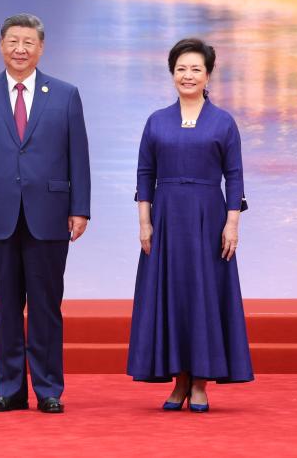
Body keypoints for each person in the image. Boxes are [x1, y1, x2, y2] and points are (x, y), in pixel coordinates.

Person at [0, 13, 91, 414]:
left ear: (41, 48)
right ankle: (11, 389)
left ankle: (48, 388)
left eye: (28, 42)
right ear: (1, 45)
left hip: (50, 213)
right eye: (13, 41)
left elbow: (79, 156)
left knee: (46, 305)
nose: (20, 49)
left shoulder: (65, 94)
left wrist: (80, 208)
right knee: (7, 305)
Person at [127, 38, 253, 411]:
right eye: (181, 68)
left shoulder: (223, 122)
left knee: (203, 294)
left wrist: (232, 224)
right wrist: (145, 222)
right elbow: (144, 174)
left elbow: (235, 176)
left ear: (208, 75)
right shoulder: (156, 120)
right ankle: (179, 381)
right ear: (172, 74)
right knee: (172, 295)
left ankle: (200, 382)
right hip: (166, 218)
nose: (188, 75)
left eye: (196, 69)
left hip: (208, 217)